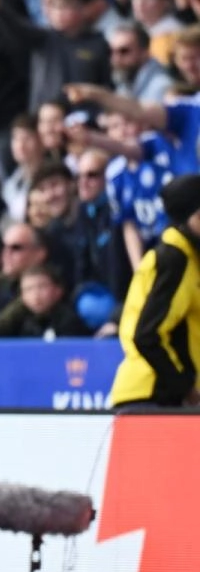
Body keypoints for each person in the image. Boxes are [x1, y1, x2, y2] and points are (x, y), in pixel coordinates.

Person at [110, 174, 200, 410]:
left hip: (157, 397)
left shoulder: (187, 258)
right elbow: (147, 334)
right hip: (153, 395)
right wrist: (184, 387)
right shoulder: (175, 259)